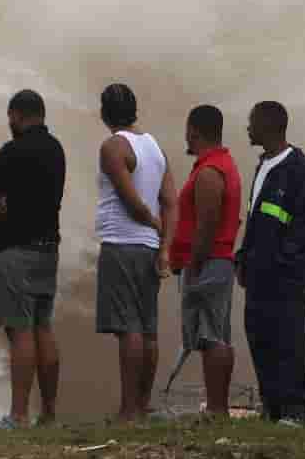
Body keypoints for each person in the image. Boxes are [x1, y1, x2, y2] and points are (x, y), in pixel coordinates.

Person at [0, 89, 66, 429]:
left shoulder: (13, 151)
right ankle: (49, 412)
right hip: (48, 250)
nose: (9, 123)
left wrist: (1, 195)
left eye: (10, 117)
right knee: (43, 327)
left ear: (17, 114)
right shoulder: (56, 151)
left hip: (16, 249)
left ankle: (18, 415)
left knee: (21, 331)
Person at [235, 101, 305, 427]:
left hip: (286, 279)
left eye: (251, 121)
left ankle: (296, 411)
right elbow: (257, 221)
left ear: (269, 126)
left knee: (290, 341)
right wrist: (243, 257)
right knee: (260, 338)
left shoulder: (300, 170)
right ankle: (273, 408)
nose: (247, 127)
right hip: (258, 276)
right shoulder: (264, 166)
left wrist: (283, 262)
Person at [95, 83, 178, 423]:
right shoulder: (154, 147)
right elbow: (171, 201)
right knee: (147, 329)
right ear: (135, 109)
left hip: (122, 243)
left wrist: (155, 226)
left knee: (128, 329)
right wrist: (165, 248)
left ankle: (129, 410)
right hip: (147, 248)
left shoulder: (113, 146)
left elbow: (133, 203)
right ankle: (142, 406)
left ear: (104, 113)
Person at [169, 105, 243, 417]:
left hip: (208, 262)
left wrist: (194, 264)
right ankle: (218, 408)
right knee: (215, 334)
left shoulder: (211, 171)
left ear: (194, 131)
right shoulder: (220, 165)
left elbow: (207, 224)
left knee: (212, 337)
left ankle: (216, 409)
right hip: (216, 261)